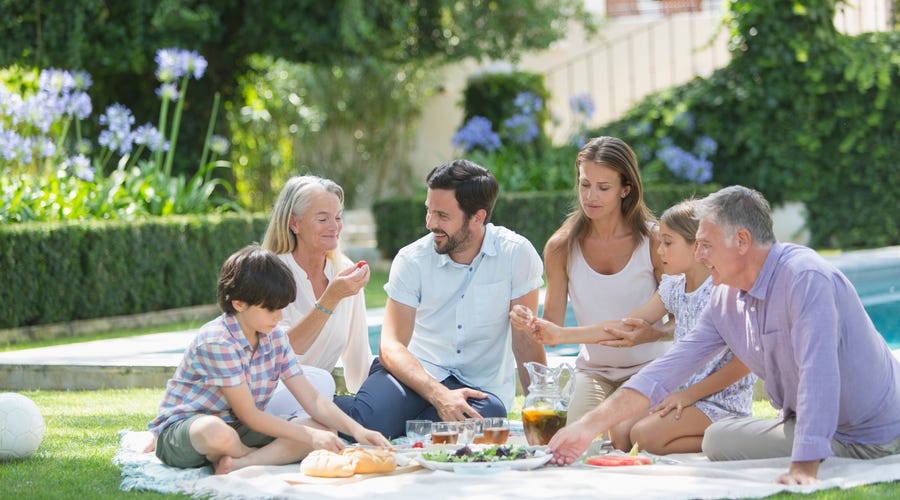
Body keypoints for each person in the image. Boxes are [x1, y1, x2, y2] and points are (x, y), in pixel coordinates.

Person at [547, 185, 900, 485]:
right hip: (812, 424)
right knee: (717, 439)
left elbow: (818, 375)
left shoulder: (805, 279)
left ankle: (817, 448)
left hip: (874, 435)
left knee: (720, 437)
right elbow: (666, 370)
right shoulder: (725, 298)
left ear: (742, 241)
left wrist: (804, 469)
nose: (698, 255)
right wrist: (586, 427)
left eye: (705, 245)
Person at [513, 199, 756, 453]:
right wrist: (561, 335)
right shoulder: (674, 286)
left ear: (697, 246)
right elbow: (626, 326)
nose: (660, 251)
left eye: (668, 243)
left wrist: (689, 396)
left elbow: (745, 362)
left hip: (719, 401)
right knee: (619, 431)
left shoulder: (723, 291)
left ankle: (729, 437)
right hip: (682, 394)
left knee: (644, 436)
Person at [333, 159, 547, 439]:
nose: (430, 223)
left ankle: (397, 425)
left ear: (478, 218)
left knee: (489, 417)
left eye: (442, 216)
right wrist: (438, 395)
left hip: (477, 388)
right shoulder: (412, 260)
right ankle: (296, 408)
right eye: (429, 211)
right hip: (412, 373)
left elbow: (525, 341)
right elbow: (390, 346)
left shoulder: (516, 255)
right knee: (368, 425)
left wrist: (543, 406)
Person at [146, 245, 389, 474]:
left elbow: (312, 398)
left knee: (324, 429)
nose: (279, 316)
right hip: (187, 431)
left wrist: (358, 431)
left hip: (240, 427)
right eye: (270, 309)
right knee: (217, 432)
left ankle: (240, 463)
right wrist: (306, 437)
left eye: (281, 307)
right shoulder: (218, 341)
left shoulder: (275, 338)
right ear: (238, 303)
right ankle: (248, 455)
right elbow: (249, 415)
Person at [534, 136, 671, 426]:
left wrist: (655, 334)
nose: (590, 196)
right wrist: (530, 323)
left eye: (603, 187)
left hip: (650, 367)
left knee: (627, 432)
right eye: (585, 184)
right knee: (576, 440)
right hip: (594, 371)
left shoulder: (654, 241)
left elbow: (684, 316)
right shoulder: (561, 247)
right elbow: (553, 331)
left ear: (626, 189)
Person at [260, 175, 373, 418]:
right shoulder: (269, 273)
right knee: (322, 382)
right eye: (323, 219)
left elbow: (358, 353)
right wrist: (331, 298)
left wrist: (370, 406)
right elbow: (281, 351)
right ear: (294, 224)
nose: (334, 227)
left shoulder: (345, 271)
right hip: (266, 391)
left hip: (313, 398)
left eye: (338, 217)